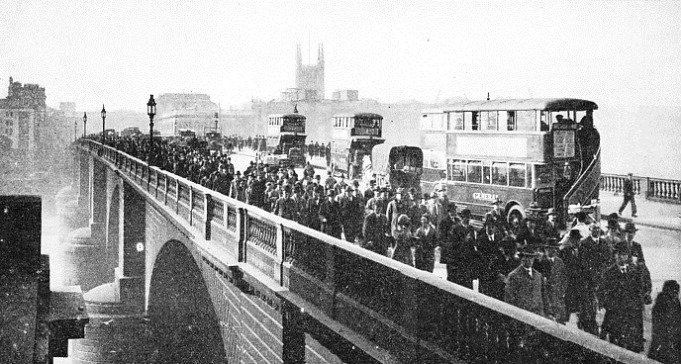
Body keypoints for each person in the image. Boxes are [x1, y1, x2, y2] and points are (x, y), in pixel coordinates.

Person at [600, 242, 651, 353]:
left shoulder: (635, 272)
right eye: (618, 254)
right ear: (615, 255)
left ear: (628, 256)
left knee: (631, 349)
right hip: (615, 318)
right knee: (615, 349)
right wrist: (612, 307)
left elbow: (638, 293)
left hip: (630, 319)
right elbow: (603, 294)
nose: (621, 257)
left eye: (624, 254)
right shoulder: (609, 273)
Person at [504, 246, 545, 316]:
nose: (530, 260)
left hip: (538, 316)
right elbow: (509, 299)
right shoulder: (514, 276)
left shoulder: (538, 276)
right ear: (522, 259)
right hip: (522, 316)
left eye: (532, 257)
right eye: (527, 257)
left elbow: (543, 296)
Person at [648, 280, 681, 363]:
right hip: (666, 334)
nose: (676, 292)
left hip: (670, 333)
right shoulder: (665, 300)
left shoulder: (674, 300)